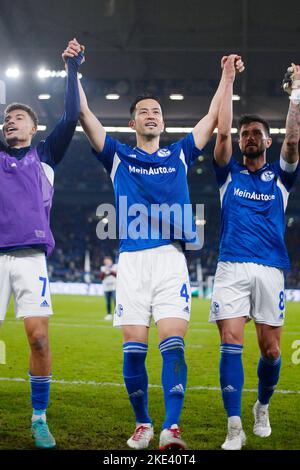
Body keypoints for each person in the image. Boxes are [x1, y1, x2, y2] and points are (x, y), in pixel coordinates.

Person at [63, 40, 244, 450]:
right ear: (133, 124)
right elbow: (84, 113)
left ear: (163, 123)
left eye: (157, 112)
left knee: (174, 345)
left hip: (170, 260)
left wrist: (227, 77)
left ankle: (171, 429)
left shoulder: (180, 153)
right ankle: (143, 423)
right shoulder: (117, 157)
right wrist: (74, 69)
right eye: (143, 111)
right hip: (131, 261)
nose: (151, 115)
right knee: (133, 352)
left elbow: (215, 116)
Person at [210, 59, 300, 450]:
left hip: (271, 268)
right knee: (230, 341)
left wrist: (296, 89)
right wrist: (228, 78)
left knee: (272, 351)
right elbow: (222, 130)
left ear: (267, 141)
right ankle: (234, 426)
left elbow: (294, 141)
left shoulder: (280, 177)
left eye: (256, 134)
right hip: (231, 264)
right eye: (246, 133)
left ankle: (261, 405)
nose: (249, 137)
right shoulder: (226, 173)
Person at [0, 40, 83, 448]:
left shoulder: (46, 156)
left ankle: (38, 418)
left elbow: (72, 115)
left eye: (18, 118)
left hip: (32, 259)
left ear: (33, 129)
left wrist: (71, 68)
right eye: (7, 119)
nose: (10, 122)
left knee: (39, 339)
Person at [100, 256, 117, 320]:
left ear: (111, 261)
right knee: (108, 302)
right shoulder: (103, 268)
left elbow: (117, 275)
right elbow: (101, 277)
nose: (106, 263)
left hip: (114, 287)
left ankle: (117, 314)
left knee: (115, 300)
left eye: (108, 261)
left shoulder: (115, 266)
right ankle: (109, 314)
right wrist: (105, 272)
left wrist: (110, 271)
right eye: (105, 262)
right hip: (106, 287)